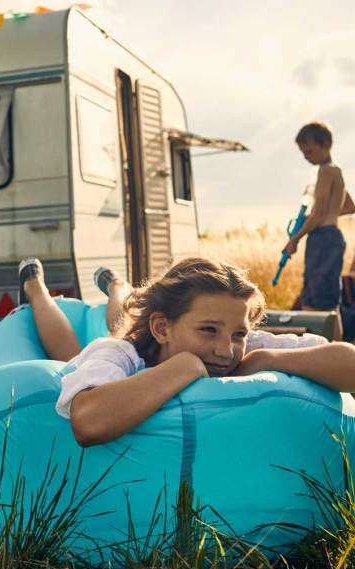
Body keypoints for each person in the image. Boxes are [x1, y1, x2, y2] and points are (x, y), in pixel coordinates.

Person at [18, 257, 355, 448]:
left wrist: (265, 359)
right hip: (101, 351)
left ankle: (116, 284)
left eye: (238, 333)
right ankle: (35, 287)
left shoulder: (239, 347)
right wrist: (186, 366)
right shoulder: (120, 354)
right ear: (162, 328)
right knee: (88, 341)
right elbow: (89, 423)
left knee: (126, 315)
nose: (226, 349)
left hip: (151, 331)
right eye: (208, 330)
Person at [283, 122, 351, 339]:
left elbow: (318, 213)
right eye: (303, 153)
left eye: (309, 151)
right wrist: (331, 214)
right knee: (326, 300)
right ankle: (334, 347)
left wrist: (295, 238)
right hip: (330, 236)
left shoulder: (325, 170)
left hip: (323, 239)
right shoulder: (336, 171)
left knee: (316, 301)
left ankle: (321, 349)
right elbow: (349, 205)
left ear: (326, 145)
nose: (306, 157)